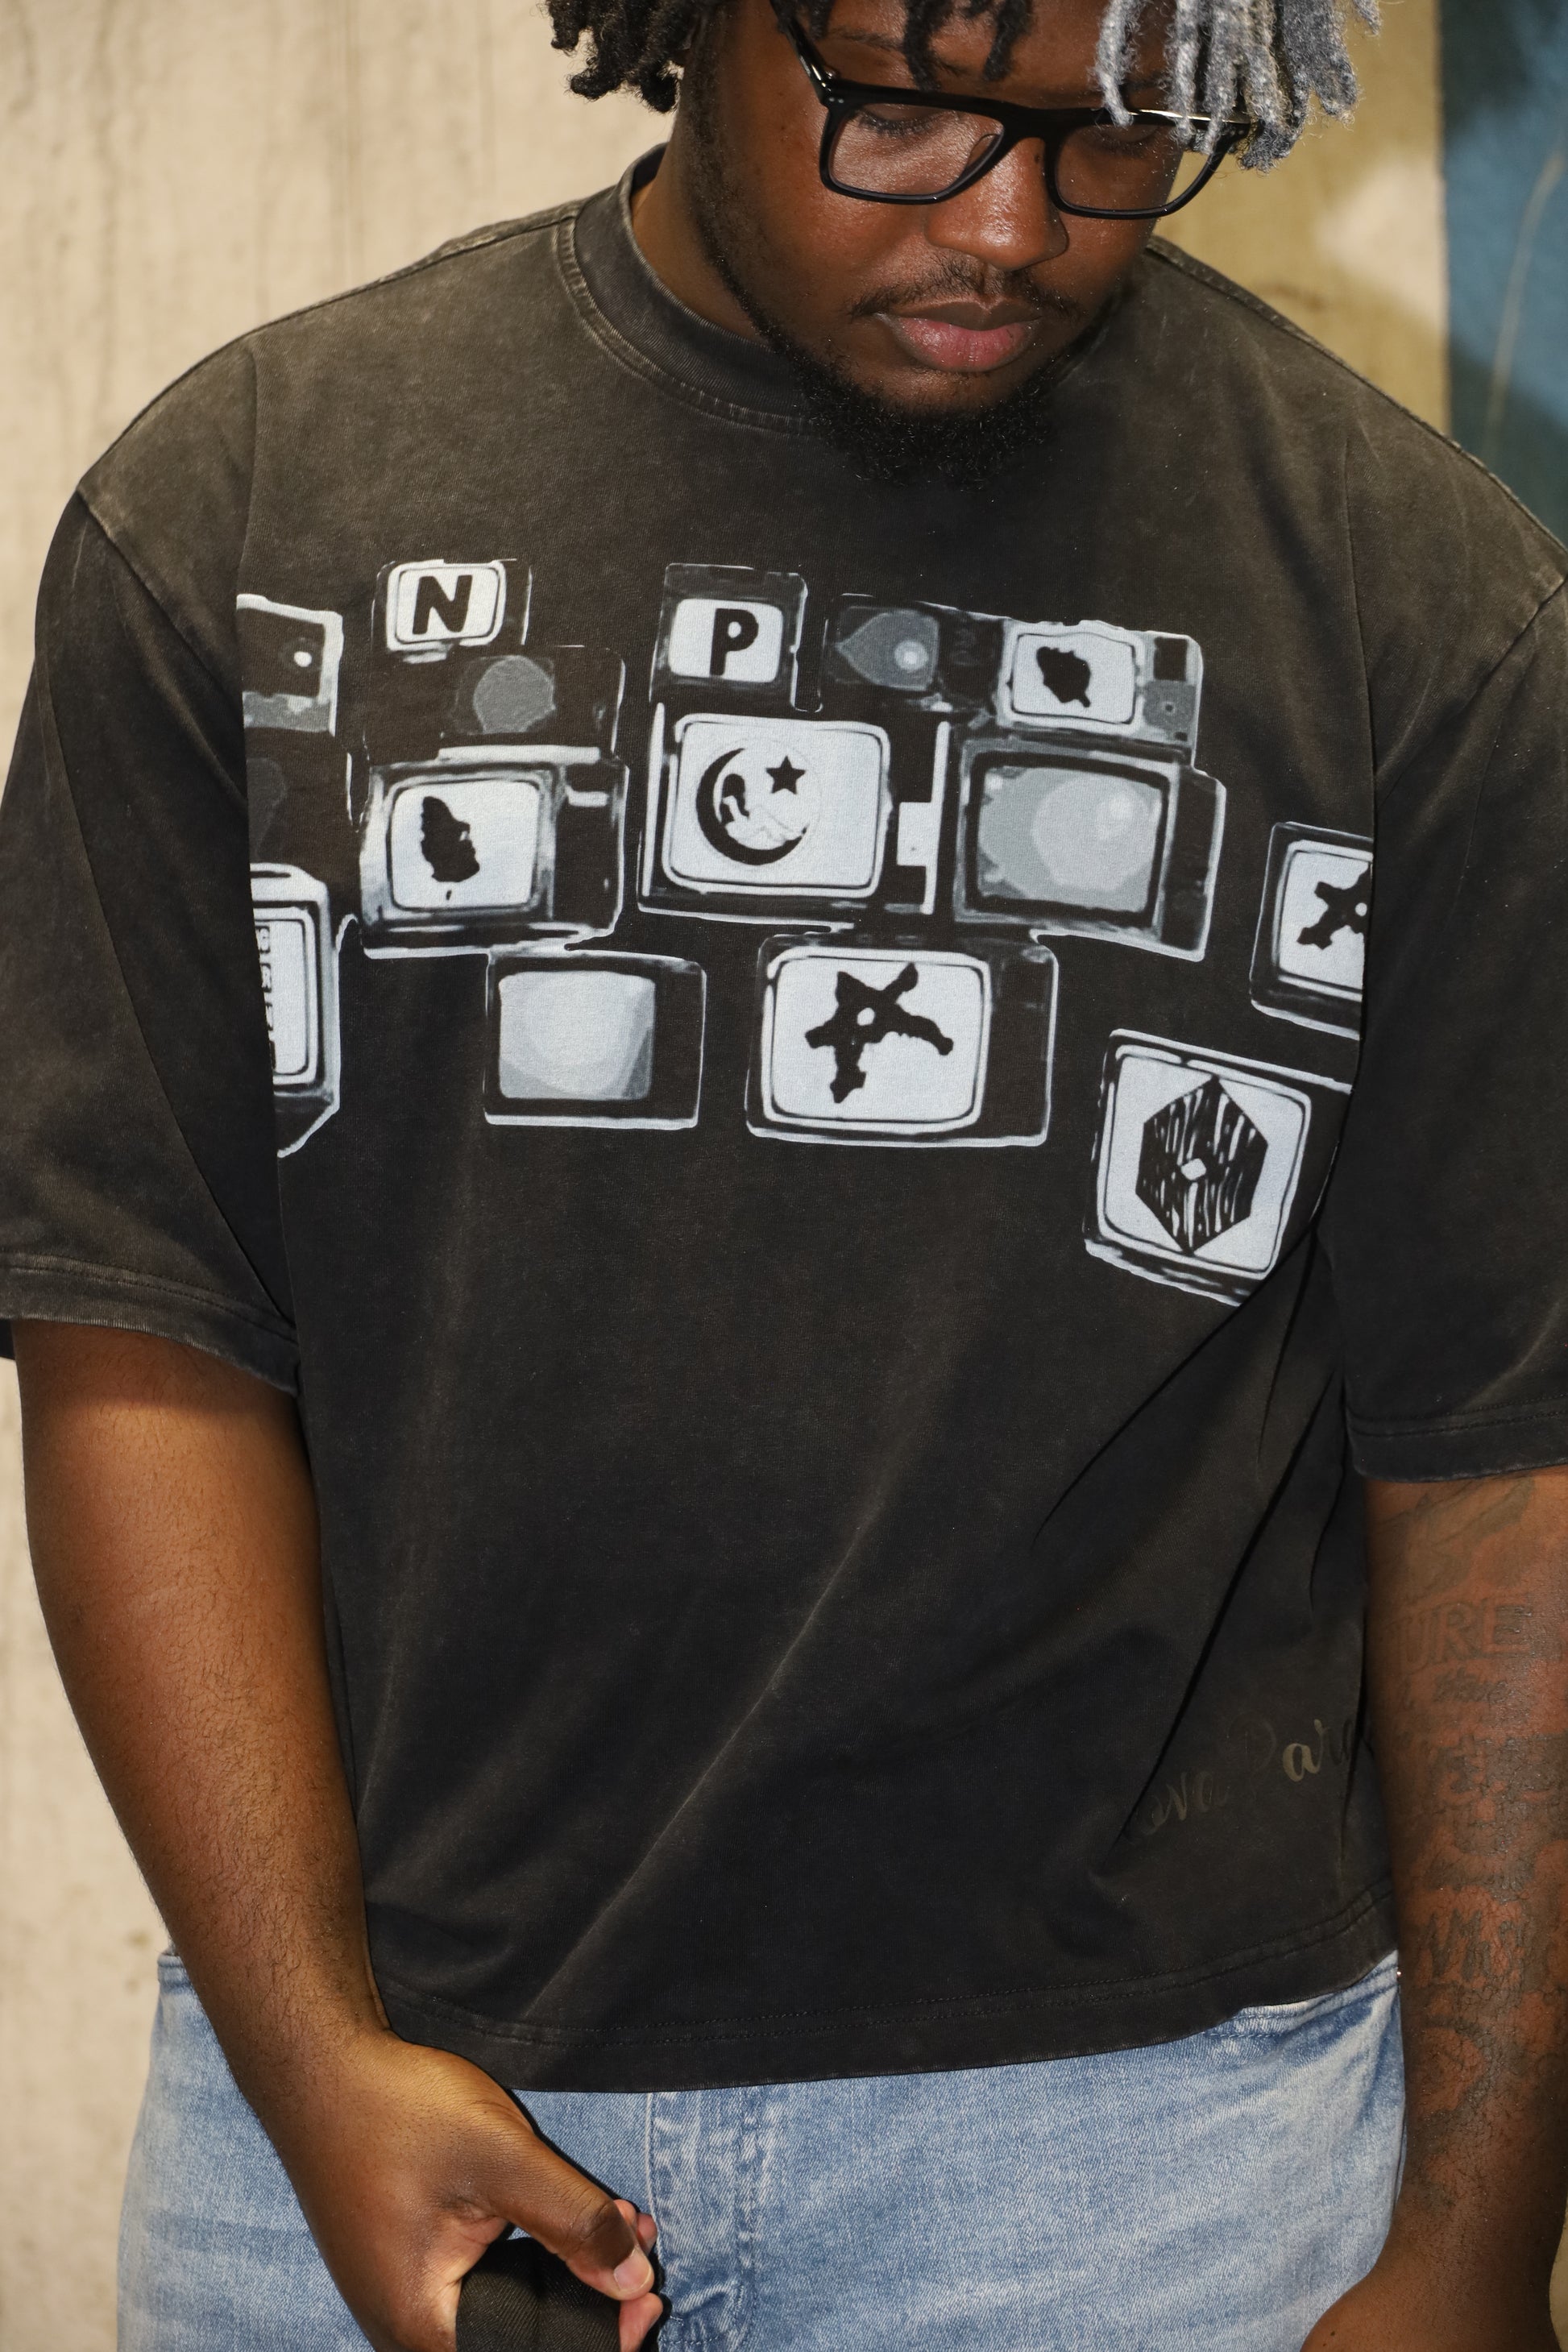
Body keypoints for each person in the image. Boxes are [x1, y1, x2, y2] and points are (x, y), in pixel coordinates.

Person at [2, 0, 1566, 2342]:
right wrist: (313, 2060)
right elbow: (137, 1345)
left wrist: (1472, 2243)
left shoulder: (1416, 602)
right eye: (903, 103)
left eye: (1112, 127)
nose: (1010, 224)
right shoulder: (251, 517)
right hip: (378, 2096)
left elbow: (1505, 1468)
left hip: (1152, 2176)